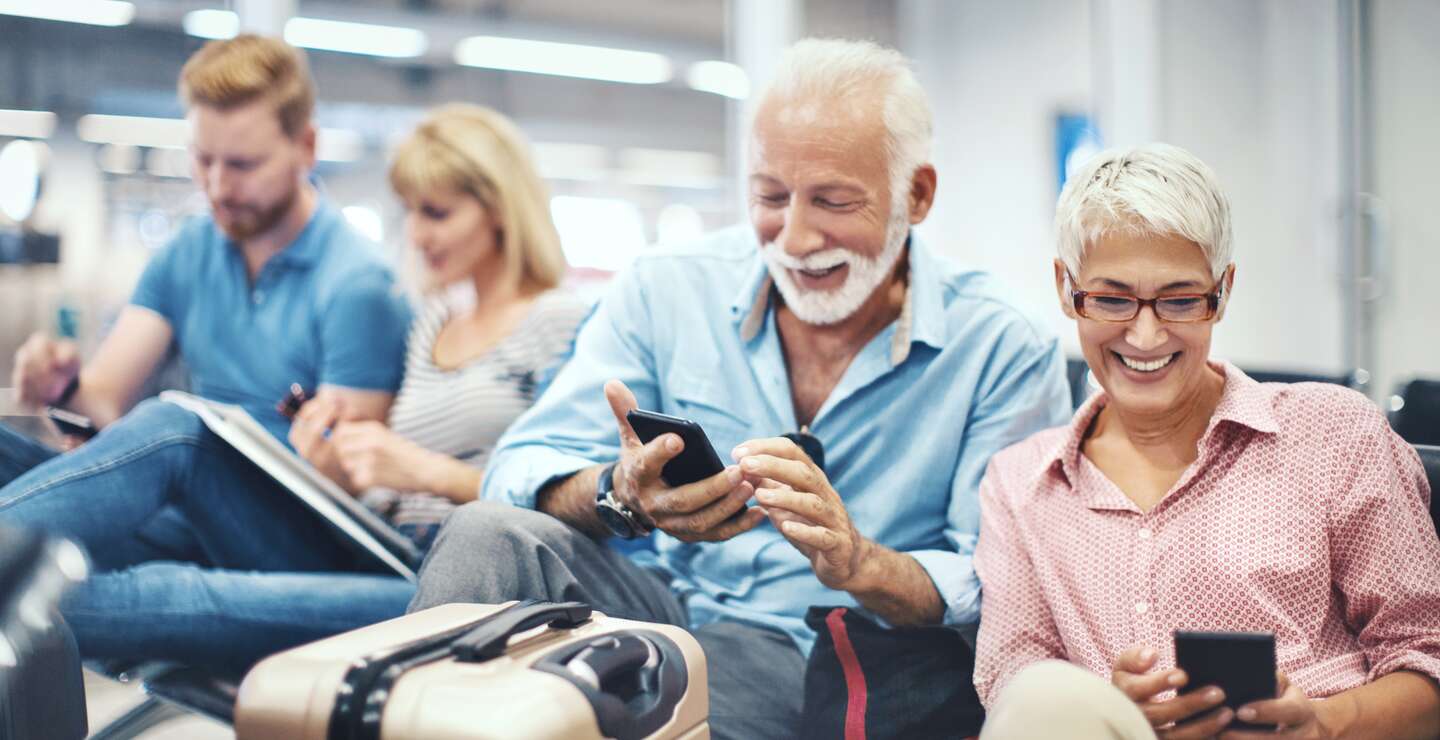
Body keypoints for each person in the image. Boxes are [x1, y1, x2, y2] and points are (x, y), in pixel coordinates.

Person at [408, 38, 1073, 739]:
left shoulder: (1001, 345)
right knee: (483, 534)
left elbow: (998, 584)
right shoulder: (668, 287)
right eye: (770, 197)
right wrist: (620, 493)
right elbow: (517, 466)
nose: (795, 238)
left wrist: (860, 562)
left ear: (918, 194)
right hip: (663, 606)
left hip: (823, 645)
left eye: (833, 201)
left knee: (673, 699)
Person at [973, 143, 1440, 739]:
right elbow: (1012, 689)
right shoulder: (1020, 485)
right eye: (1112, 299)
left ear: (1223, 291)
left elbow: (1428, 661)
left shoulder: (1333, 436)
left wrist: (1322, 725)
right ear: (1067, 289)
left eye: (1180, 301)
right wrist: (1109, 712)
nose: (1145, 335)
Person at [0, 35, 419, 672]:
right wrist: (60, 386)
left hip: (302, 545)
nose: (219, 186)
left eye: (243, 165)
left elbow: (349, 486)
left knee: (180, 429)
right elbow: (101, 401)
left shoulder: (357, 284)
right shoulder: (189, 251)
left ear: (305, 148)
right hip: (189, 518)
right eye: (203, 160)